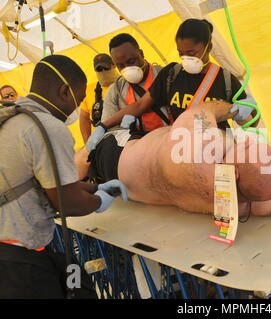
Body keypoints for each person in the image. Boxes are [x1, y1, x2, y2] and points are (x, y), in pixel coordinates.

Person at [76, 100, 271, 253]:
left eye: (243, 146)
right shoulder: (250, 202)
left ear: (236, 171)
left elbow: (203, 109)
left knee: (82, 156)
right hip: (134, 185)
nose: (241, 141)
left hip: (116, 155)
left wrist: (232, 110)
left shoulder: (195, 148)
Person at [0, 55, 127, 299]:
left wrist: (96, 187)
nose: (75, 110)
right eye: (78, 101)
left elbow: (40, 183)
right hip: (18, 262)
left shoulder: (12, 117)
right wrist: (100, 201)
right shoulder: (47, 127)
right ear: (64, 91)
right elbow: (66, 201)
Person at [86, 19, 257, 152]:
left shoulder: (226, 80)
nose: (186, 59)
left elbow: (251, 123)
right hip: (180, 152)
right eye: (181, 53)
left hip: (219, 151)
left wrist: (249, 109)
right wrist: (103, 126)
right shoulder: (171, 75)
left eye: (192, 53)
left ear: (208, 47)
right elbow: (139, 105)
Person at [100, 33, 165, 133]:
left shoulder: (166, 76)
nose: (128, 68)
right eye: (121, 66)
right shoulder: (115, 92)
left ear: (141, 54)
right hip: (139, 146)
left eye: (131, 61)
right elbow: (111, 131)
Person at [79, 53, 119, 144]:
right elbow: (84, 118)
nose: (103, 71)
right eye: (99, 69)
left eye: (106, 68)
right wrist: (87, 143)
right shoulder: (89, 90)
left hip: (124, 139)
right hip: (99, 143)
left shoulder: (125, 84)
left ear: (114, 66)